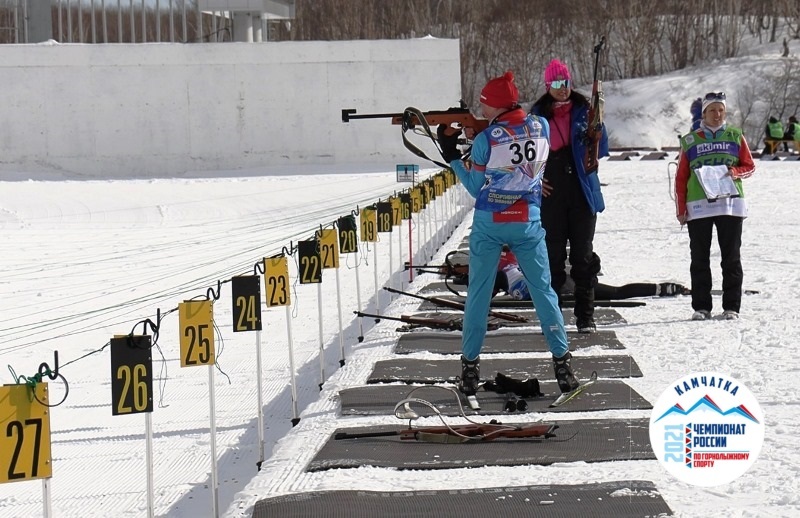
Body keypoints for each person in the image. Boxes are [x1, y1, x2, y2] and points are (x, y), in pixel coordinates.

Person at [436, 70, 578, 396]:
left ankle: (470, 370)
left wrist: (453, 158)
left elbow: (475, 186)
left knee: (479, 294)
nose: (482, 110)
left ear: (495, 106)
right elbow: (516, 138)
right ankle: (562, 364)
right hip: (527, 219)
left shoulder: (487, 140)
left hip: (490, 222)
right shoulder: (540, 125)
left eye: (485, 105)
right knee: (543, 292)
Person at [529, 59, 609, 334]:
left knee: (582, 256)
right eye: (557, 84)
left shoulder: (584, 109)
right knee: (551, 257)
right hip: (551, 193)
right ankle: (553, 317)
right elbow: (527, 157)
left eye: (566, 83)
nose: (563, 89)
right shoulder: (537, 114)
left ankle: (585, 315)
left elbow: (602, 147)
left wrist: (597, 131)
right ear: (548, 86)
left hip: (581, 189)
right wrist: (536, 182)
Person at [674, 91, 755, 321]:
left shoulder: (735, 135)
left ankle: (731, 306)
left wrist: (735, 171)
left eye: (721, 110)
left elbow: (749, 166)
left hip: (730, 205)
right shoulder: (690, 140)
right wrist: (681, 209)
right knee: (699, 258)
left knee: (731, 257)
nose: (717, 115)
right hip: (699, 206)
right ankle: (701, 307)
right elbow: (681, 177)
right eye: (712, 110)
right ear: (704, 113)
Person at [493, 246, 688, 301]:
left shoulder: (508, 259)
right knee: (615, 293)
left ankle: (663, 288)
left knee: (615, 292)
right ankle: (661, 288)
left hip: (554, 281)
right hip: (554, 286)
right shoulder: (500, 264)